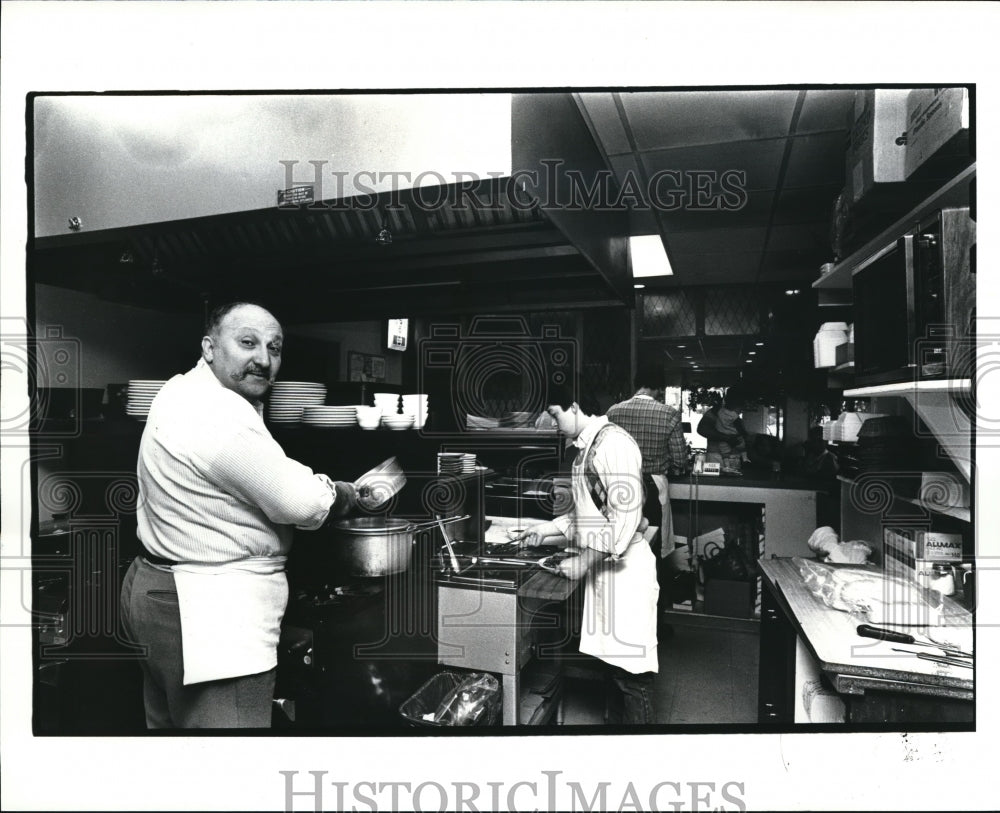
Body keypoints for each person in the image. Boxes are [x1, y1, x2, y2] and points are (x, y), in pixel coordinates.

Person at [119, 301, 359, 728]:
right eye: (247, 342)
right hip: (210, 609)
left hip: (158, 589)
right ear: (209, 347)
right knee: (230, 768)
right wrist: (342, 493)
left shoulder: (181, 388)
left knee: (174, 753)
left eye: (274, 347)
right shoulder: (216, 414)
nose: (263, 359)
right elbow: (301, 503)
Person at [514, 389, 658, 724]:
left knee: (632, 677)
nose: (550, 422)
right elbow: (588, 516)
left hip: (626, 573)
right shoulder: (585, 449)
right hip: (607, 573)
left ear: (576, 406)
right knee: (615, 670)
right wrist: (545, 529)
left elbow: (626, 516)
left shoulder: (613, 444)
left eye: (554, 413)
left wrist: (583, 562)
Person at [606, 365, 688, 613]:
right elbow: (680, 461)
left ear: (636, 383)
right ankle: (654, 622)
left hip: (618, 484)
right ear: (658, 388)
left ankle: (619, 615)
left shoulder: (613, 412)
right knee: (650, 554)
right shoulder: (669, 414)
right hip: (651, 486)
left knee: (619, 547)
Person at [697, 385, 751, 472]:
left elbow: (743, 435)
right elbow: (702, 429)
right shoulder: (714, 412)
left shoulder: (735, 417)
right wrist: (727, 438)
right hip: (716, 456)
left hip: (733, 457)